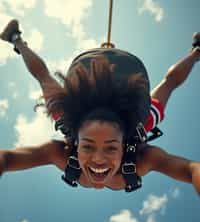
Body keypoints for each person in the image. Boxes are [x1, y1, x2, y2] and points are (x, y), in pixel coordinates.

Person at [0, 20, 200, 194]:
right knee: (168, 85)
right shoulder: (143, 160)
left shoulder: (60, 153)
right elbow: (190, 169)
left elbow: (7, 158)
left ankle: (15, 38)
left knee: (45, 79)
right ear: (77, 144)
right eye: (88, 146)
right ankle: (198, 50)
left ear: (123, 146)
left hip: (76, 114)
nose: (98, 159)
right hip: (135, 118)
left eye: (111, 148)